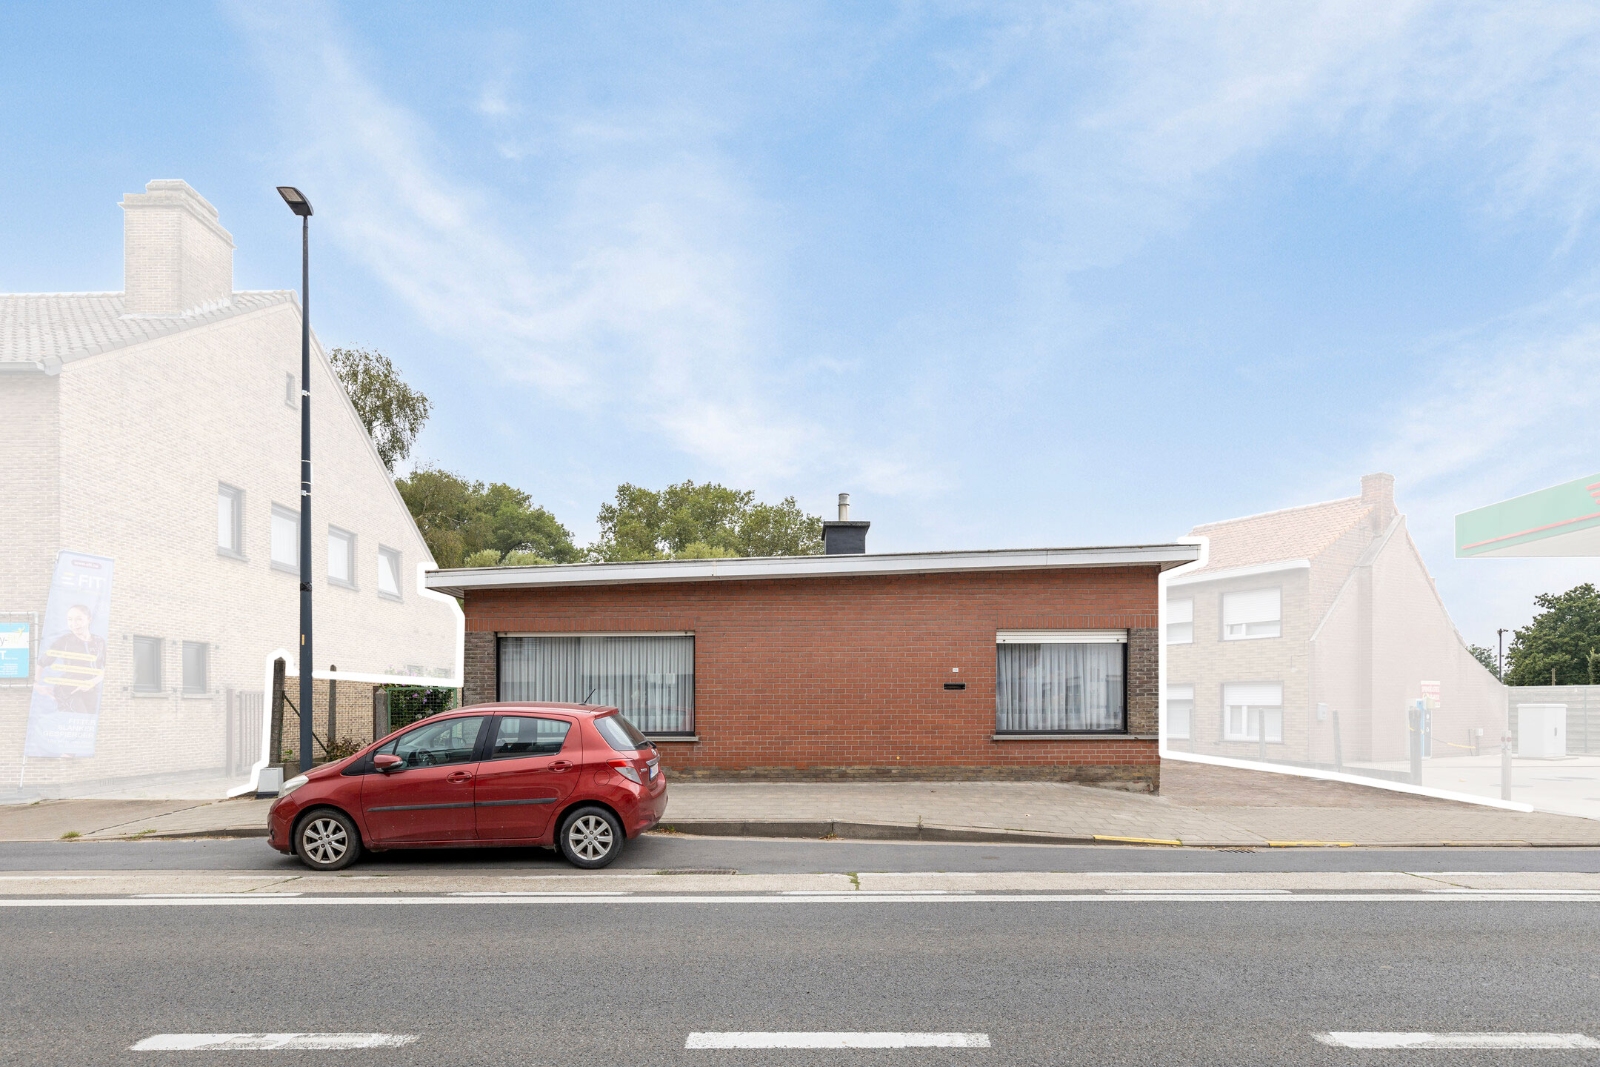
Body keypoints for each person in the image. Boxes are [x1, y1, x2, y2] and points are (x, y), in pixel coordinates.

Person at [43, 604, 106, 715]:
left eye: (79, 619)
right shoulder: (65, 640)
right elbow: (43, 662)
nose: (73, 624)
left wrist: (92, 682)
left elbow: (106, 668)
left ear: (89, 620)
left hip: (91, 691)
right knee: (79, 721)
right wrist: (37, 685)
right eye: (70, 619)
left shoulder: (99, 641)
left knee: (89, 724)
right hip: (68, 690)